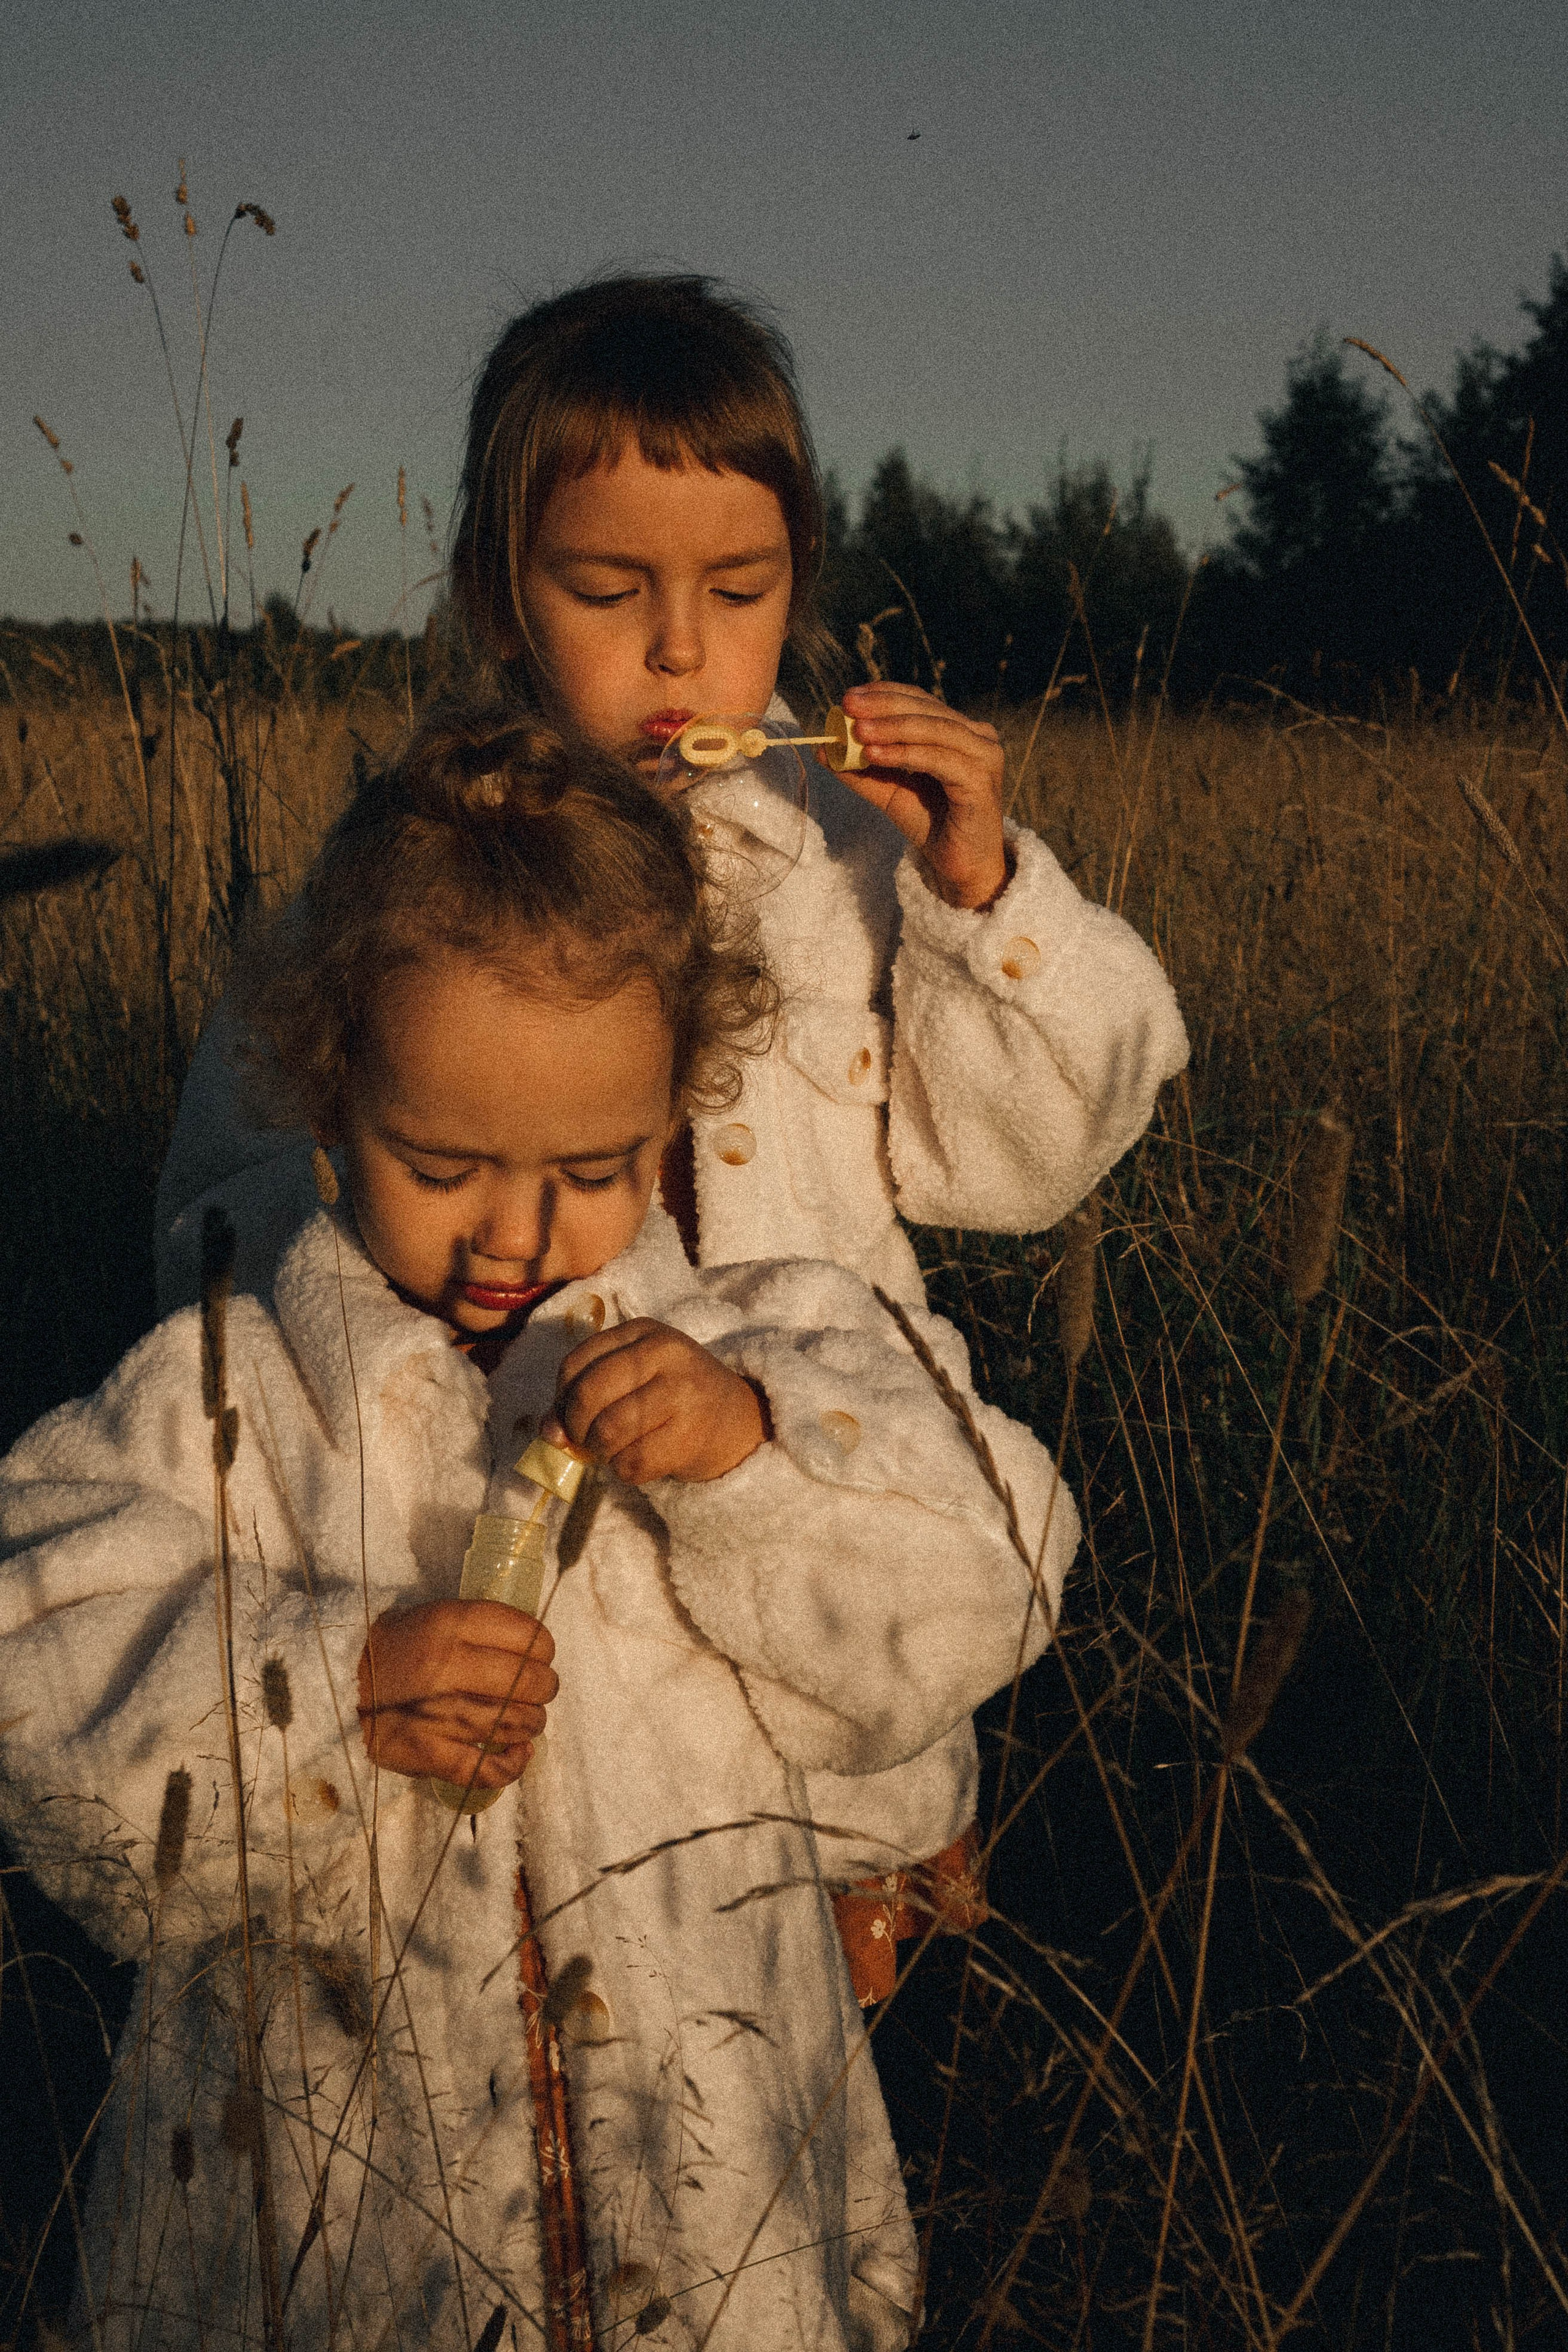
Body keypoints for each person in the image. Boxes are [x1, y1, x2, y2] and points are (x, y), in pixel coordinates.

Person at [152, 273, 1188, 2000]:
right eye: (608, 588)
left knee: (801, 2080)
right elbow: (228, 1203)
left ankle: (856, 1954)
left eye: (740, 590)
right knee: (576, 1991)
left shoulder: (854, 867)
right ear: (499, 590)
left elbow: (1031, 1158)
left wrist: (982, 892)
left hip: (812, 1554)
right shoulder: (404, 880)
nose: (683, 649)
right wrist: (413, 1304)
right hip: (530, 1584)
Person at [0, 714, 1079, 2352]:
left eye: (593, 1167)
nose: (517, 1233)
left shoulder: (777, 1345)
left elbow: (980, 1593)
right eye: (440, 1165)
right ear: (326, 1094)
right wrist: (326, 1688)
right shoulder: (228, 1398)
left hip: (719, 2215)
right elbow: (38, 1658)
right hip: (343, 2238)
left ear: (674, 1109)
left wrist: (761, 1461)